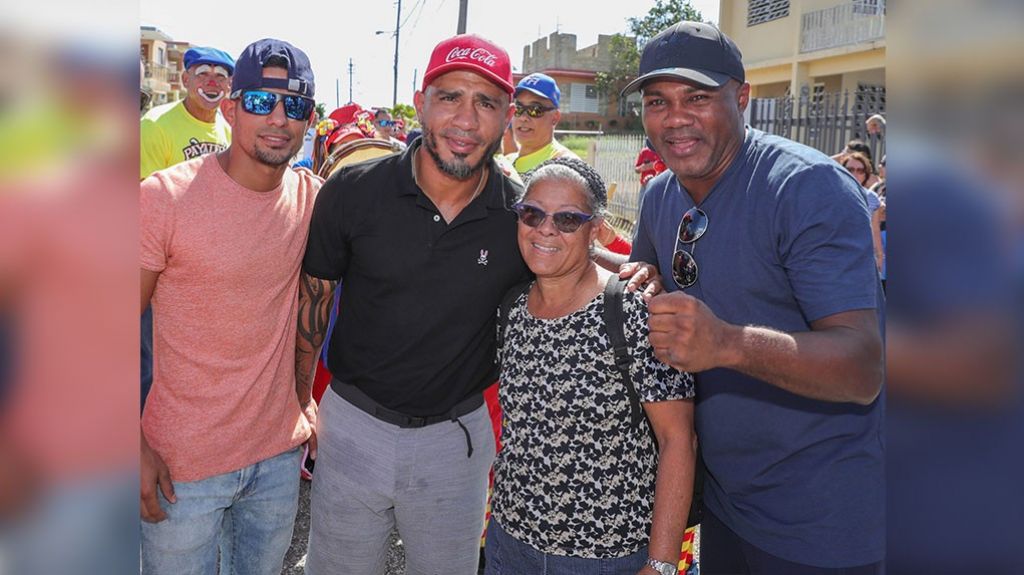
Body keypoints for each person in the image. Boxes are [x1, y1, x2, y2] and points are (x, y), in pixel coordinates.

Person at [622, 21, 884, 574]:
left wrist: (727, 343)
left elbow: (863, 368)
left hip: (821, 517)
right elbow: (654, 290)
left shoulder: (805, 187)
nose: (675, 118)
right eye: (658, 101)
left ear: (742, 98)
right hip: (726, 503)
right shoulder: (660, 196)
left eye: (697, 97)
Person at [139, 38, 320, 575]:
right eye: (262, 101)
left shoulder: (313, 199)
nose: (279, 118)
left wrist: (306, 400)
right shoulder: (164, 198)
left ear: (310, 120)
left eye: (295, 106)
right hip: (181, 467)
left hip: (277, 460)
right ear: (232, 107)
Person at [486, 157, 695, 574]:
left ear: (595, 229)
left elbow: (678, 439)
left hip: (608, 558)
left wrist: (661, 564)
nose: (546, 229)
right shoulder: (511, 308)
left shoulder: (634, 312)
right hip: (510, 544)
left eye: (567, 219)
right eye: (532, 214)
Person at [139, 46, 235, 409]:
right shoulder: (155, 125)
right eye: (203, 74)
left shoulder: (230, 130)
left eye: (221, 77)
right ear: (185, 79)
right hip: (158, 266)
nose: (211, 82)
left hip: (208, 269)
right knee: (149, 362)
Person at [505, 73, 577, 173]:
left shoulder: (565, 167)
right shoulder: (506, 163)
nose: (523, 117)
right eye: (518, 108)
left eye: (535, 109)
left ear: (555, 117)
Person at [842, 152, 885, 273]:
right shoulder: (833, 193)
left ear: (866, 174)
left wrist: (879, 256)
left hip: (862, 255)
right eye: (850, 169)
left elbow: (875, 229)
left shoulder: (872, 197)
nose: (854, 174)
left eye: (860, 170)